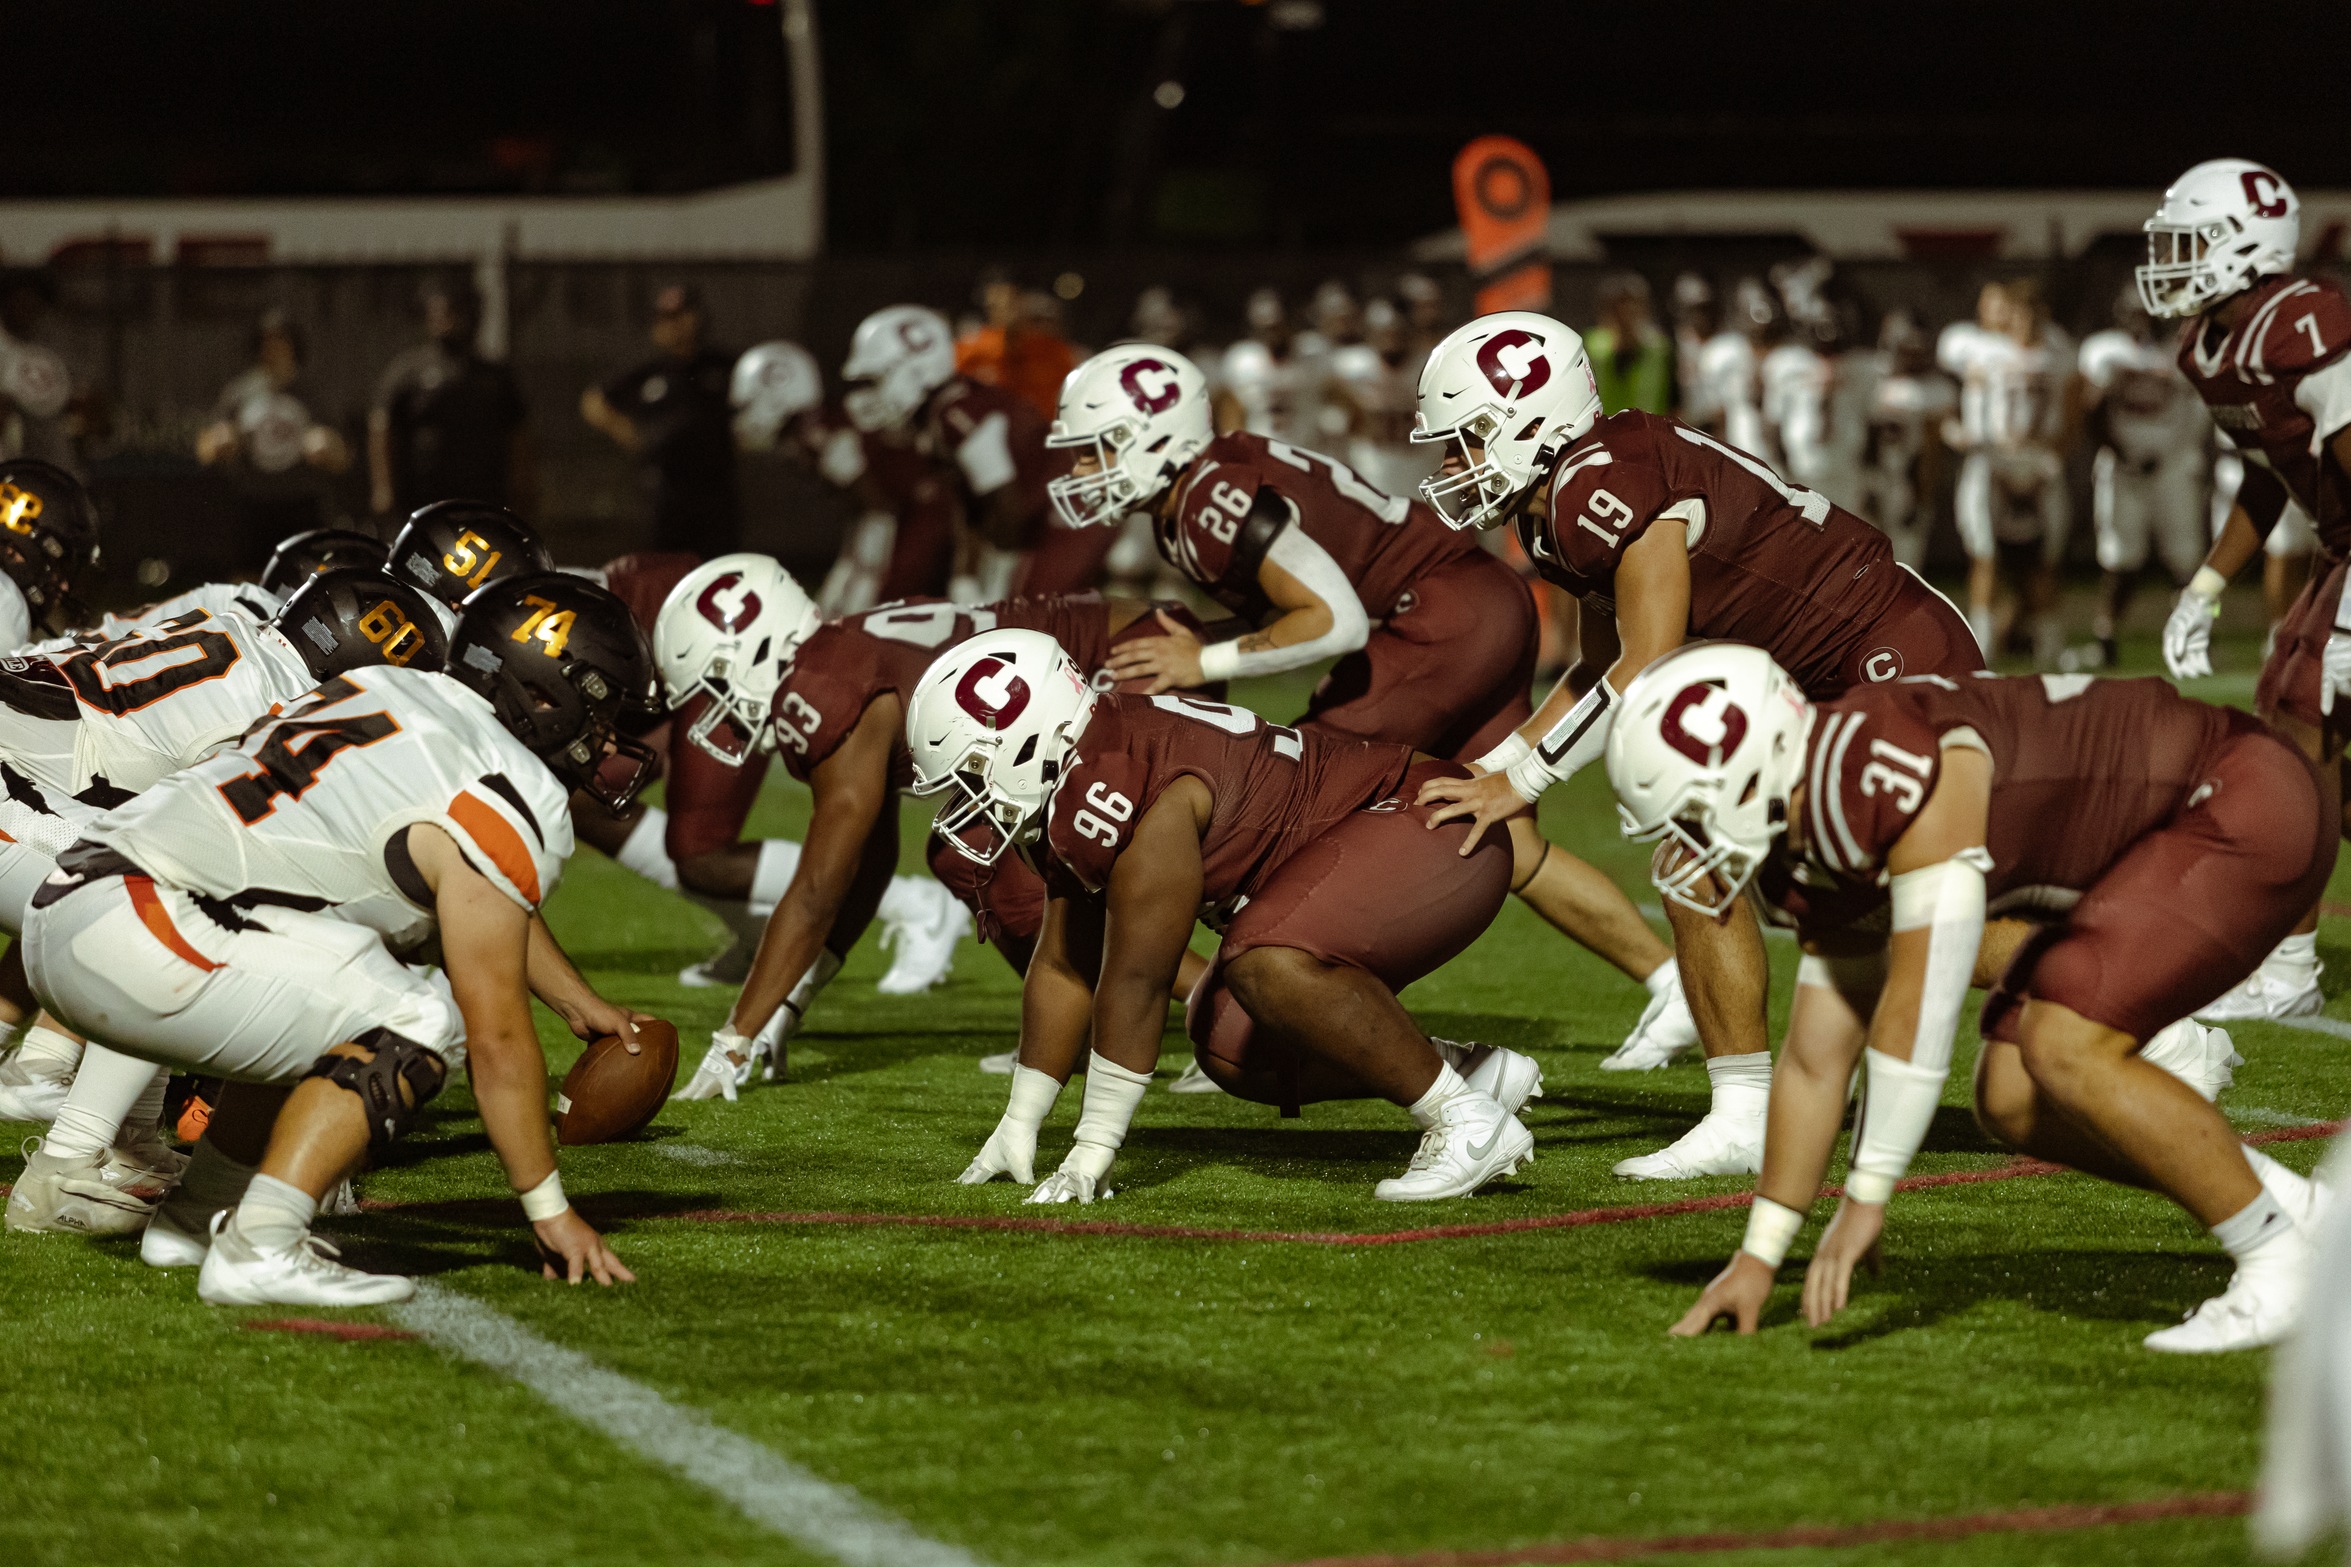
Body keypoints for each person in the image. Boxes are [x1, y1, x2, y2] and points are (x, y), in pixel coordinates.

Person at [1620, 645, 2334, 1352]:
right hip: (2168, 829)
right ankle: (2294, 1210)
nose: (1684, 848)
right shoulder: (1811, 824)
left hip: (2238, 797)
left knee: (2062, 1043)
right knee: (2010, 1092)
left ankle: (2279, 1261)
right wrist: (1759, 1253)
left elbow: (1920, 1004)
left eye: (1690, 815)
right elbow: (1815, 1059)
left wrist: (1866, 1195)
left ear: (1749, 774)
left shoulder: (1888, 770)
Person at [1410, 310, 1986, 1180]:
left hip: (1883, 656)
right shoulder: (1556, 505)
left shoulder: (1598, 486)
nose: (1452, 468)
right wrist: (1489, 769)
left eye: (1467, 442)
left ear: (1534, 419)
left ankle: (2150, 1025)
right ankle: (1744, 1110)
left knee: (1886, 896)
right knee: (1702, 854)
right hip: (1805, 682)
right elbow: (1599, 665)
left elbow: (1648, 664)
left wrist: (1521, 779)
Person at [1044, 343, 1701, 1070]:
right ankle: (1671, 981)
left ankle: (1277, 1017)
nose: (1082, 470)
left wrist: (1204, 656)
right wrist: (1212, 641)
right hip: (1480, 604)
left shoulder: (1208, 499)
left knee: (1277, 806)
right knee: (1495, 826)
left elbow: (1333, 619)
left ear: (1154, 437)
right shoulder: (1202, 488)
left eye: (1095, 449)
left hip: (1434, 618)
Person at [20, 574, 660, 1304]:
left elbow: (463, 898)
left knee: (334, 970)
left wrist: (575, 998)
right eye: (604, 709)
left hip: (79, 895)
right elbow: (499, 1040)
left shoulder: (388, 688)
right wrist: (550, 1210)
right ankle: (262, 1241)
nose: (607, 738)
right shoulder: (512, 787)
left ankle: (198, 1217)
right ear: (545, 695)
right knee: (419, 1019)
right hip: (140, 924)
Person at [927, 629, 1541, 1203]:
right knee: (1228, 1044)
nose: (966, 799)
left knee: (1266, 962)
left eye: (972, 772)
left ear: (1031, 739)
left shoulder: (1123, 784)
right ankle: (1466, 1073)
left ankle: (1465, 1122)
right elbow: (1065, 965)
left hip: (1431, 823)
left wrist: (1091, 1151)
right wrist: (1020, 1121)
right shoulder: (1085, 766)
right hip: (1398, 840)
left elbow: (1137, 979)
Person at [657, 557, 1219, 1099]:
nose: (715, 704)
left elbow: (816, 892)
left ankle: (1219, 1008)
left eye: (716, 680)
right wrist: (790, 1002)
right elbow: (866, 866)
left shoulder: (822, 689)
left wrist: (734, 1038)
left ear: (758, 646)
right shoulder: (833, 659)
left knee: (1078, 855)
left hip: (1132, 656)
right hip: (1116, 643)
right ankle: (1074, 1032)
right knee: (968, 849)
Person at [4, 568, 449, 1235]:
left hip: (24, 771)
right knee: (194, 905)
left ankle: (125, 1141)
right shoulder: (278, 701)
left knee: (181, 901)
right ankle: (68, 1159)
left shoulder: (240, 635)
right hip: (15, 789)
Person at [2153, 160, 2351, 1024]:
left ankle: (2289, 968)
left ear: (2243, 247)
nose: (2168, 259)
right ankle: (2285, 959)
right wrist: (2204, 585)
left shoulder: (2300, 321)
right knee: (2289, 727)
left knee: (2301, 741)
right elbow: (2268, 475)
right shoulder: (2209, 346)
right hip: (2335, 549)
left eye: (2187, 241)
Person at [838, 305, 1078, 600]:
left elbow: (1006, 506)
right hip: (1044, 517)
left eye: (878, 380)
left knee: (1026, 621)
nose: (873, 394)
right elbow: (971, 506)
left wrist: (992, 574)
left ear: (916, 369)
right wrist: (966, 574)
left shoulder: (956, 415)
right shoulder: (943, 412)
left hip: (1066, 516)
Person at [1938, 279, 2077, 666]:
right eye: (2019, 312)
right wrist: (1960, 426)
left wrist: (2054, 459)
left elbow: (2073, 411)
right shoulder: (1979, 348)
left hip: (2040, 462)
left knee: (2045, 559)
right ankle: (1981, 651)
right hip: (1990, 461)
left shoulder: (2058, 351)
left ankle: (2049, 651)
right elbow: (1945, 385)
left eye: (2034, 314)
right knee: (1984, 554)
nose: (2026, 322)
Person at [2076, 287, 2211, 670]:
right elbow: (2091, 412)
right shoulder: (2106, 353)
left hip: (2172, 468)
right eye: (2135, 315)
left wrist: (2178, 454)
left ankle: (2196, 637)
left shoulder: (2178, 355)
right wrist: (2123, 454)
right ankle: (2105, 638)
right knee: (2121, 560)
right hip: (2124, 469)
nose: (2142, 323)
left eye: (2148, 315)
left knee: (2189, 560)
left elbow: (2197, 413)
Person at [582, 283, 740, 557]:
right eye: (666, 319)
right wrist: (628, 434)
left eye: (681, 316)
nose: (675, 326)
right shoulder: (649, 371)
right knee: (663, 571)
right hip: (666, 491)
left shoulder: (721, 365)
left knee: (720, 567)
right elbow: (594, 401)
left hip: (715, 490)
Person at [370, 277, 533, 521]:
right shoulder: (409, 371)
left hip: (485, 497)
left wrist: (523, 488)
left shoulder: (494, 376)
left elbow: (518, 433)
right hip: (423, 496)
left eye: (456, 312)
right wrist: (383, 488)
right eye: (442, 312)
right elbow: (382, 427)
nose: (449, 320)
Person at [196, 309, 351, 549]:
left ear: (294, 345)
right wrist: (221, 443)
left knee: (305, 577)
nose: (273, 348)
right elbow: (205, 449)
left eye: (280, 340)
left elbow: (344, 459)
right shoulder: (240, 393)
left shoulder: (313, 395)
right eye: (266, 341)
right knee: (248, 580)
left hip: (301, 501)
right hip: (253, 501)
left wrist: (327, 448)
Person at [1854, 311, 1955, 570]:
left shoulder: (1933, 390)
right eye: (1907, 348)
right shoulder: (1866, 375)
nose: (1913, 356)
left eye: (1917, 350)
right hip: (1862, 476)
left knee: (1904, 566)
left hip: (1905, 481)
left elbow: (1931, 454)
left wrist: (1922, 497)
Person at [1585, 273, 1675, 416]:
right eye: (1618, 307)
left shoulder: (1659, 348)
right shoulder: (1592, 346)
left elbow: (1673, 399)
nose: (1625, 313)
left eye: (1632, 305)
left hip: (1649, 434)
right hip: (1603, 433)